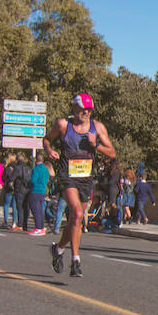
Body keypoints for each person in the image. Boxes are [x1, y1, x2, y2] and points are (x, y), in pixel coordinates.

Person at [43, 92, 116, 277]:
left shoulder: (97, 127)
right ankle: (76, 261)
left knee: (76, 219)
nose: (86, 113)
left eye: (89, 110)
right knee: (76, 213)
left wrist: (96, 145)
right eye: (83, 109)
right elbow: (46, 139)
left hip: (86, 177)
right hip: (67, 175)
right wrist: (49, 149)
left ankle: (59, 249)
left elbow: (112, 153)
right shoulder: (63, 125)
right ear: (74, 108)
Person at [27, 152, 50, 235]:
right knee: (40, 210)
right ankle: (42, 227)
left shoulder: (36, 169)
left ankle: (38, 228)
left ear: (36, 160)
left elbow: (33, 180)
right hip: (43, 191)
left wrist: (29, 184)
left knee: (35, 210)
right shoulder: (45, 169)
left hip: (35, 190)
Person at [11, 153, 32, 231]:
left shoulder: (17, 168)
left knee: (19, 207)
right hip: (28, 190)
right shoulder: (28, 168)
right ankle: (25, 225)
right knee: (26, 207)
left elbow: (11, 178)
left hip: (19, 189)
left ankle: (20, 224)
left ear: (17, 160)